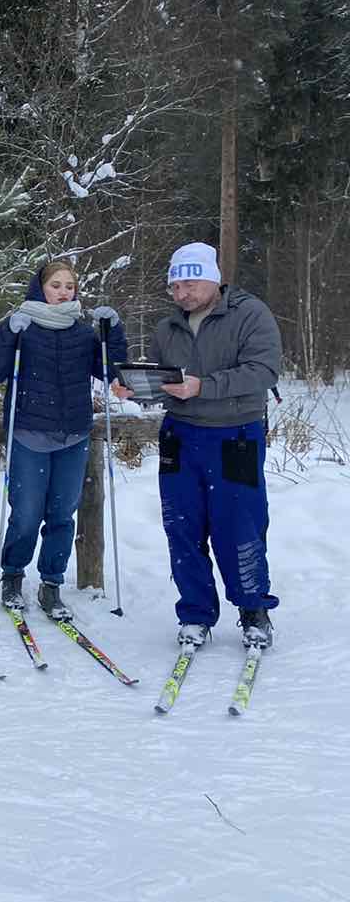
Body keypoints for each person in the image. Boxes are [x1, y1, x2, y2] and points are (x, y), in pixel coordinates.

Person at [133, 241, 281, 650]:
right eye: (175, 287)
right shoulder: (168, 328)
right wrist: (138, 390)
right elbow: (168, 386)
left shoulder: (250, 314)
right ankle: (196, 613)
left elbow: (264, 371)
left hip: (235, 435)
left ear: (213, 280)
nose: (183, 294)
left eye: (191, 284)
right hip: (179, 438)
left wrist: (205, 386)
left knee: (239, 524)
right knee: (182, 527)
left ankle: (254, 609)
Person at [0, 258, 126, 621]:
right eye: (56, 285)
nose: (63, 293)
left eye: (69, 286)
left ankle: (51, 583)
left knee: (62, 515)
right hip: (29, 434)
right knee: (27, 515)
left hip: (72, 436)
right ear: (40, 288)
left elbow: (110, 370)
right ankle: (12, 576)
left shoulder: (81, 332)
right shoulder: (22, 325)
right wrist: (8, 335)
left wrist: (113, 332)